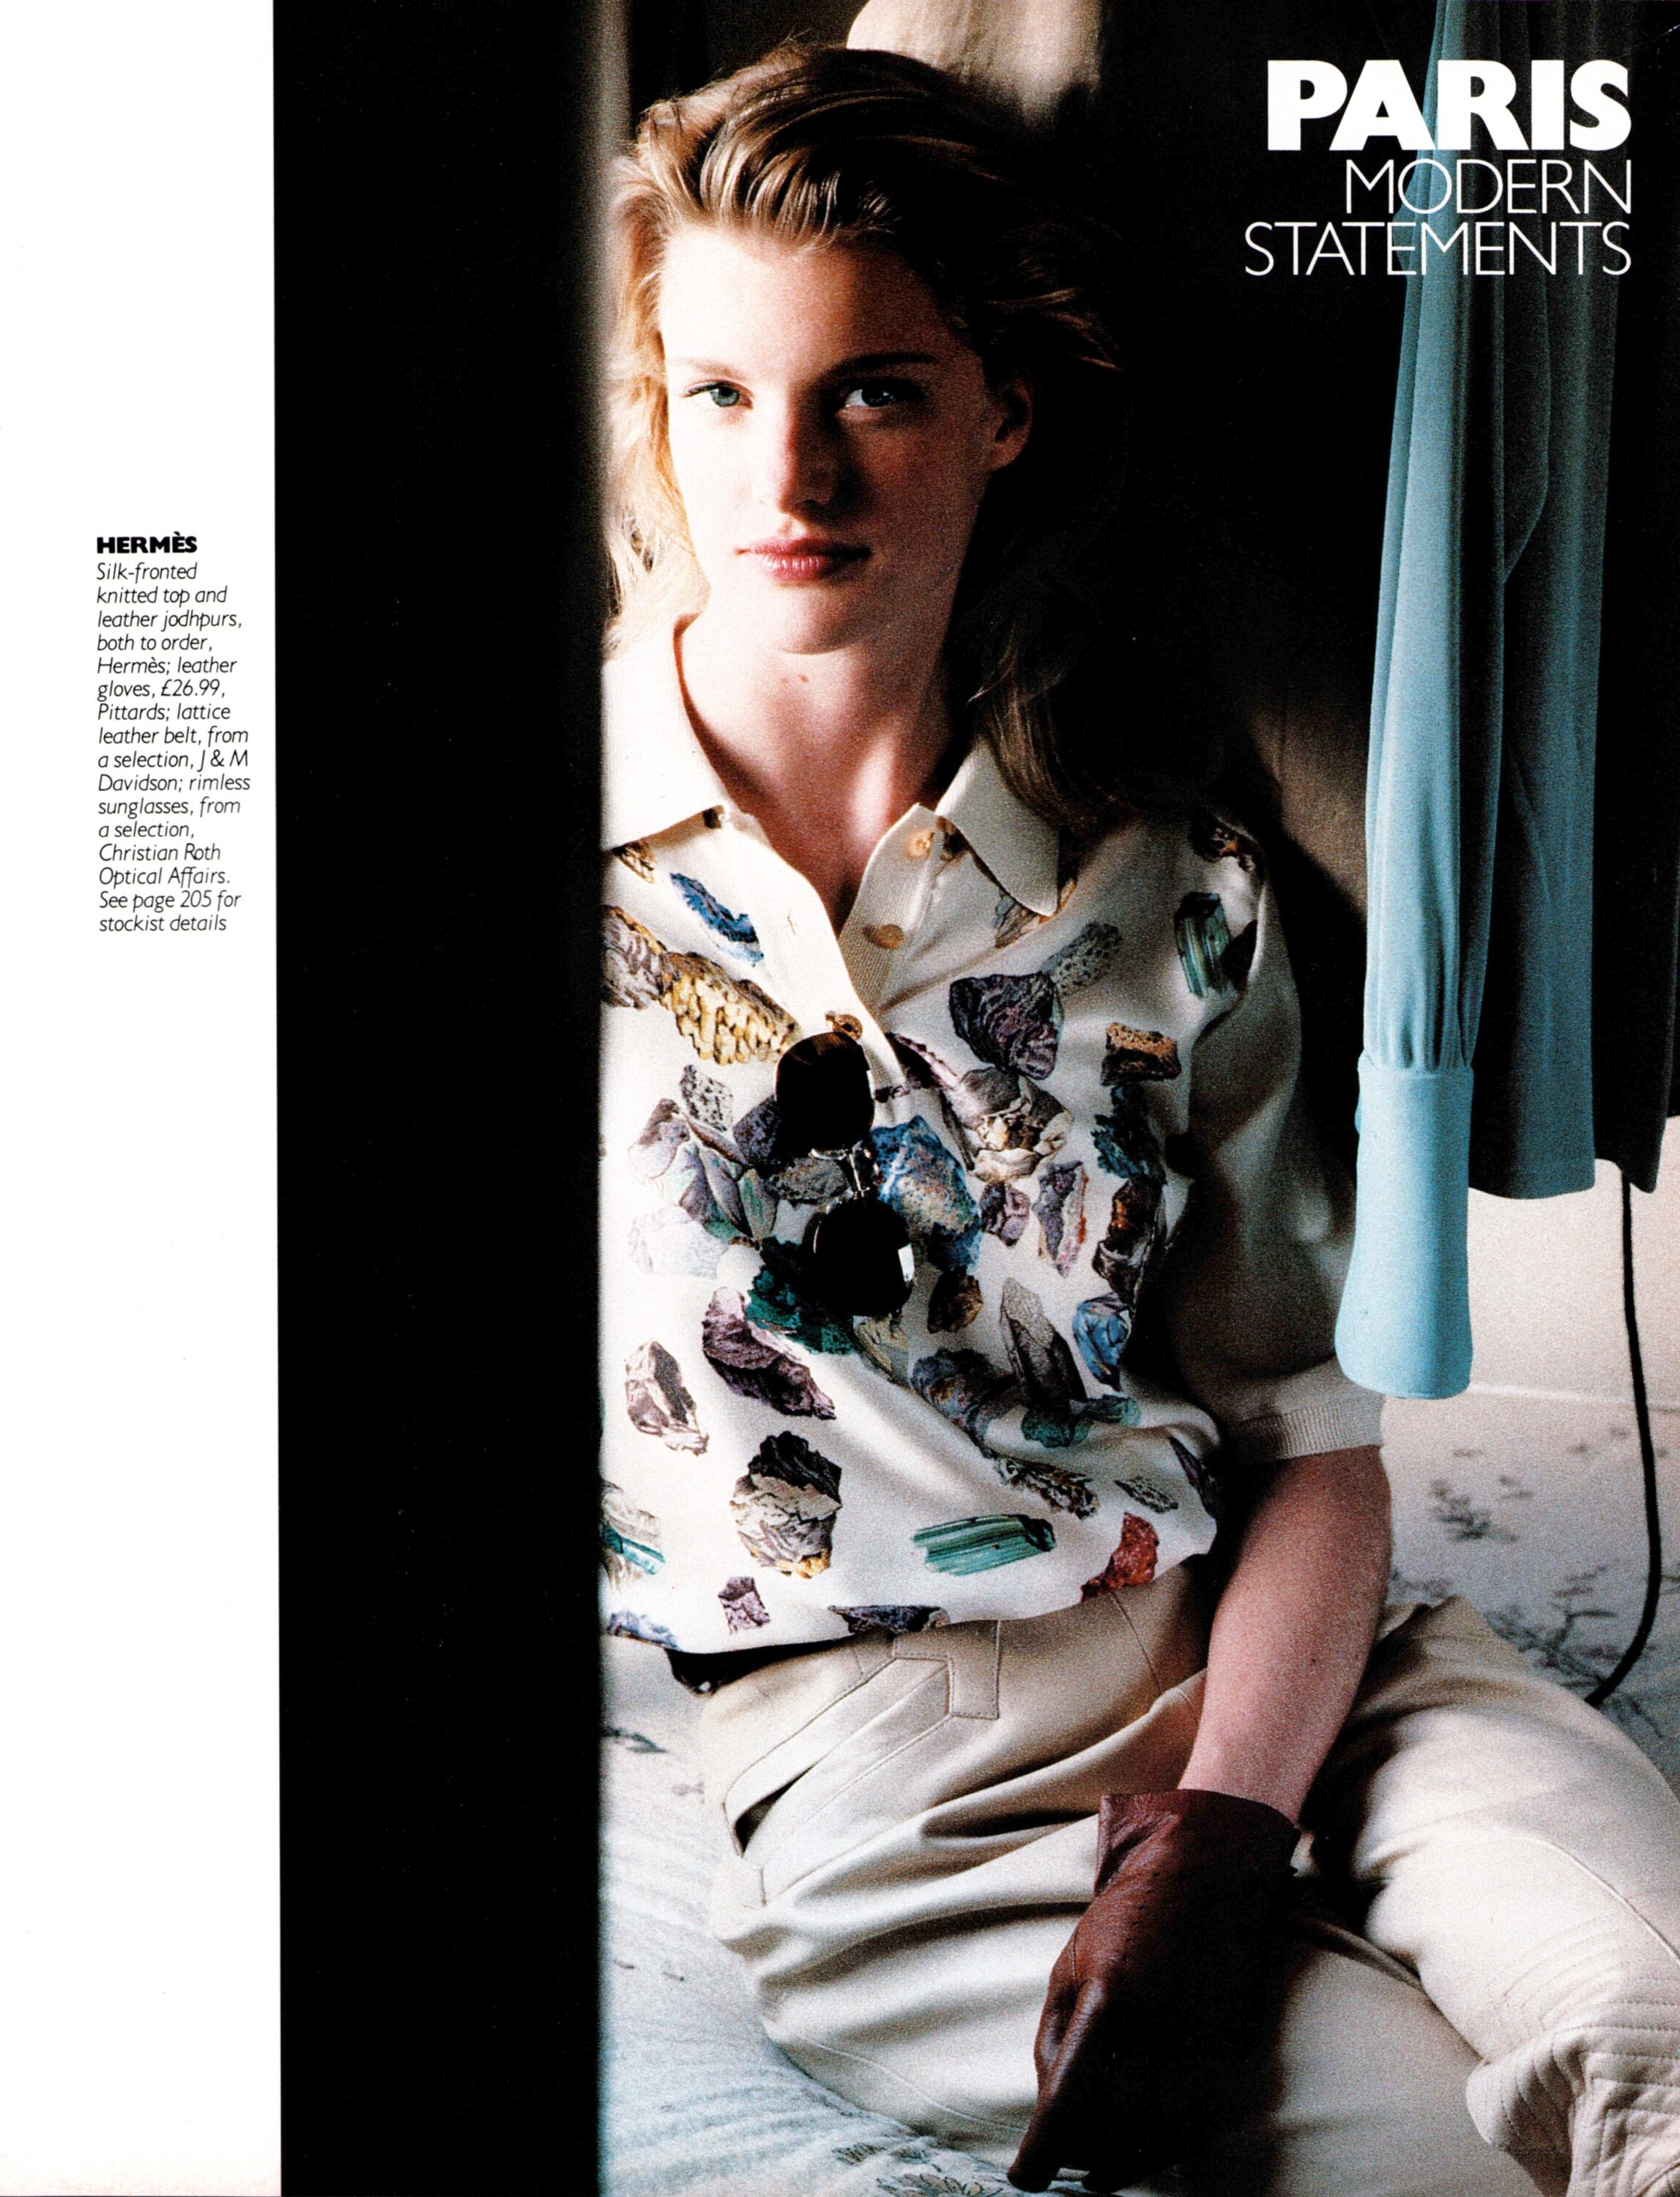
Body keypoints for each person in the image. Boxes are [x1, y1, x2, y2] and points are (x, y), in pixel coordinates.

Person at [598, 42, 1680, 2197]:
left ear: (1004, 410)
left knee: (1659, 2070)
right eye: (720, 394)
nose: (787, 470)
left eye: (873, 391)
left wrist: (1227, 1828)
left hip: (1317, 1677)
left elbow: (1312, 1450)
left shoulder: (1171, 885)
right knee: (1477, 2174)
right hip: (896, 1787)